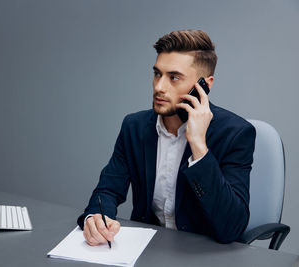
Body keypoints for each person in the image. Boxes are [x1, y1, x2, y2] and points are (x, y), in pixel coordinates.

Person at [77, 29, 256, 245]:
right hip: (149, 250)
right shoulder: (134, 127)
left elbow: (232, 228)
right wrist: (96, 217)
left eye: (174, 78)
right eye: (157, 74)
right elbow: (108, 189)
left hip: (203, 254)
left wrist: (199, 146)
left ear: (205, 85)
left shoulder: (235, 134)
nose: (159, 87)